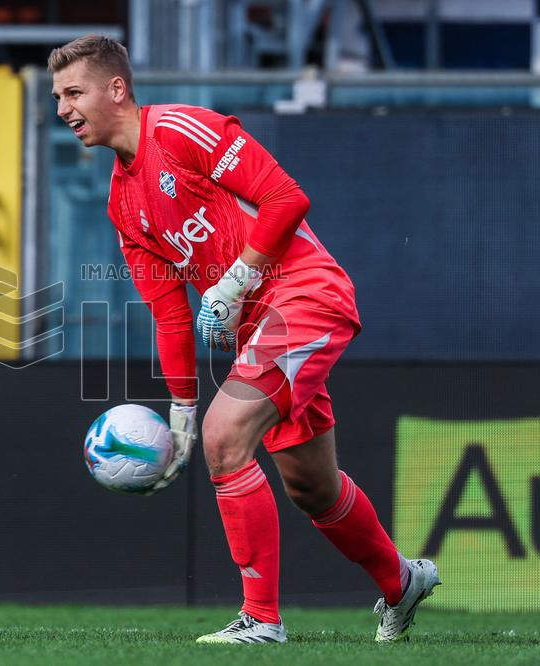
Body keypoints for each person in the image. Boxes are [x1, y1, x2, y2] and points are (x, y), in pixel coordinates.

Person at [48, 35, 441, 644]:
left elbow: (288, 199)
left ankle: (260, 619)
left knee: (226, 436)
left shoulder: (181, 130)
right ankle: (401, 582)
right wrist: (180, 413)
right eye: (57, 97)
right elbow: (171, 315)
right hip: (260, 328)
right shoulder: (123, 203)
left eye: (74, 93)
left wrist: (234, 281)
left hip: (304, 294)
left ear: (116, 89)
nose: (63, 109)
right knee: (312, 486)